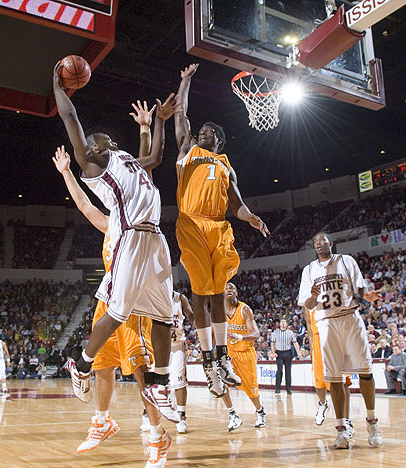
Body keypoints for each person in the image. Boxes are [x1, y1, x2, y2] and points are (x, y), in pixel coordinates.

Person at [53, 63, 178, 467]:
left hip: (154, 238)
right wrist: (60, 88)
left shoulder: (127, 161)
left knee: (163, 319)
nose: (98, 136)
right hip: (130, 247)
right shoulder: (96, 166)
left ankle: (159, 390)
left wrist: (156, 122)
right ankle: (86, 375)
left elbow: (155, 154)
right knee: (114, 326)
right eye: (92, 139)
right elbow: (72, 121)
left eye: (100, 135)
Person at [174, 63, 270, 398]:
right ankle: (207, 358)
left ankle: (221, 357)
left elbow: (237, 204)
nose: (202, 132)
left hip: (220, 226)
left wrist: (250, 217)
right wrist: (185, 81)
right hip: (191, 223)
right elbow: (180, 118)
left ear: (220, 139)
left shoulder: (227, 165)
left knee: (216, 295)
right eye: (200, 130)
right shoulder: (188, 152)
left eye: (209, 131)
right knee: (200, 295)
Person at [298, 232, 382, 449]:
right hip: (325, 323)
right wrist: (314, 297)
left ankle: (372, 423)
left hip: (350, 318)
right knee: (334, 378)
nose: (318, 244)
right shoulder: (308, 270)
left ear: (330, 244)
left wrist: (368, 296)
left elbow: (359, 288)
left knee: (366, 371)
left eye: (322, 241)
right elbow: (307, 304)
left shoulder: (346, 261)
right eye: (315, 242)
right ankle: (342, 429)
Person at [221, 282, 266, 431]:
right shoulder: (219, 311)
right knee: (221, 382)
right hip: (229, 354)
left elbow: (256, 334)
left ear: (237, 292)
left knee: (251, 389)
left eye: (232, 288)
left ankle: (260, 411)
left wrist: (239, 337)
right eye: (226, 288)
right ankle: (232, 414)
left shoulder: (244, 309)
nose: (229, 290)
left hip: (245, 353)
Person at [303, 306, 352, 426]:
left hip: (335, 335)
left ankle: (346, 421)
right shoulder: (308, 301)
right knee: (319, 382)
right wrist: (311, 347)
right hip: (318, 339)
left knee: (343, 380)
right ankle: (323, 403)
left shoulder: (333, 294)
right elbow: (309, 325)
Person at [166, 290, 195, 434]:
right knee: (152, 383)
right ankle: (147, 414)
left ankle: (181, 417)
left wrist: (202, 332)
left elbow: (191, 316)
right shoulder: (151, 293)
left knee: (179, 382)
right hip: (157, 346)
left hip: (177, 345)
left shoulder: (179, 298)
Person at [270, 318, 301, 394]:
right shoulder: (275, 332)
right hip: (279, 353)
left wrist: (298, 352)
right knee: (279, 370)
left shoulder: (290, 333)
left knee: (288, 372)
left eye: (284, 322)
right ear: (279, 324)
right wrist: (273, 352)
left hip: (287, 352)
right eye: (282, 322)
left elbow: (295, 342)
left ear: (287, 324)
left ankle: (288, 389)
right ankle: (277, 388)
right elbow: (272, 343)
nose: (283, 323)